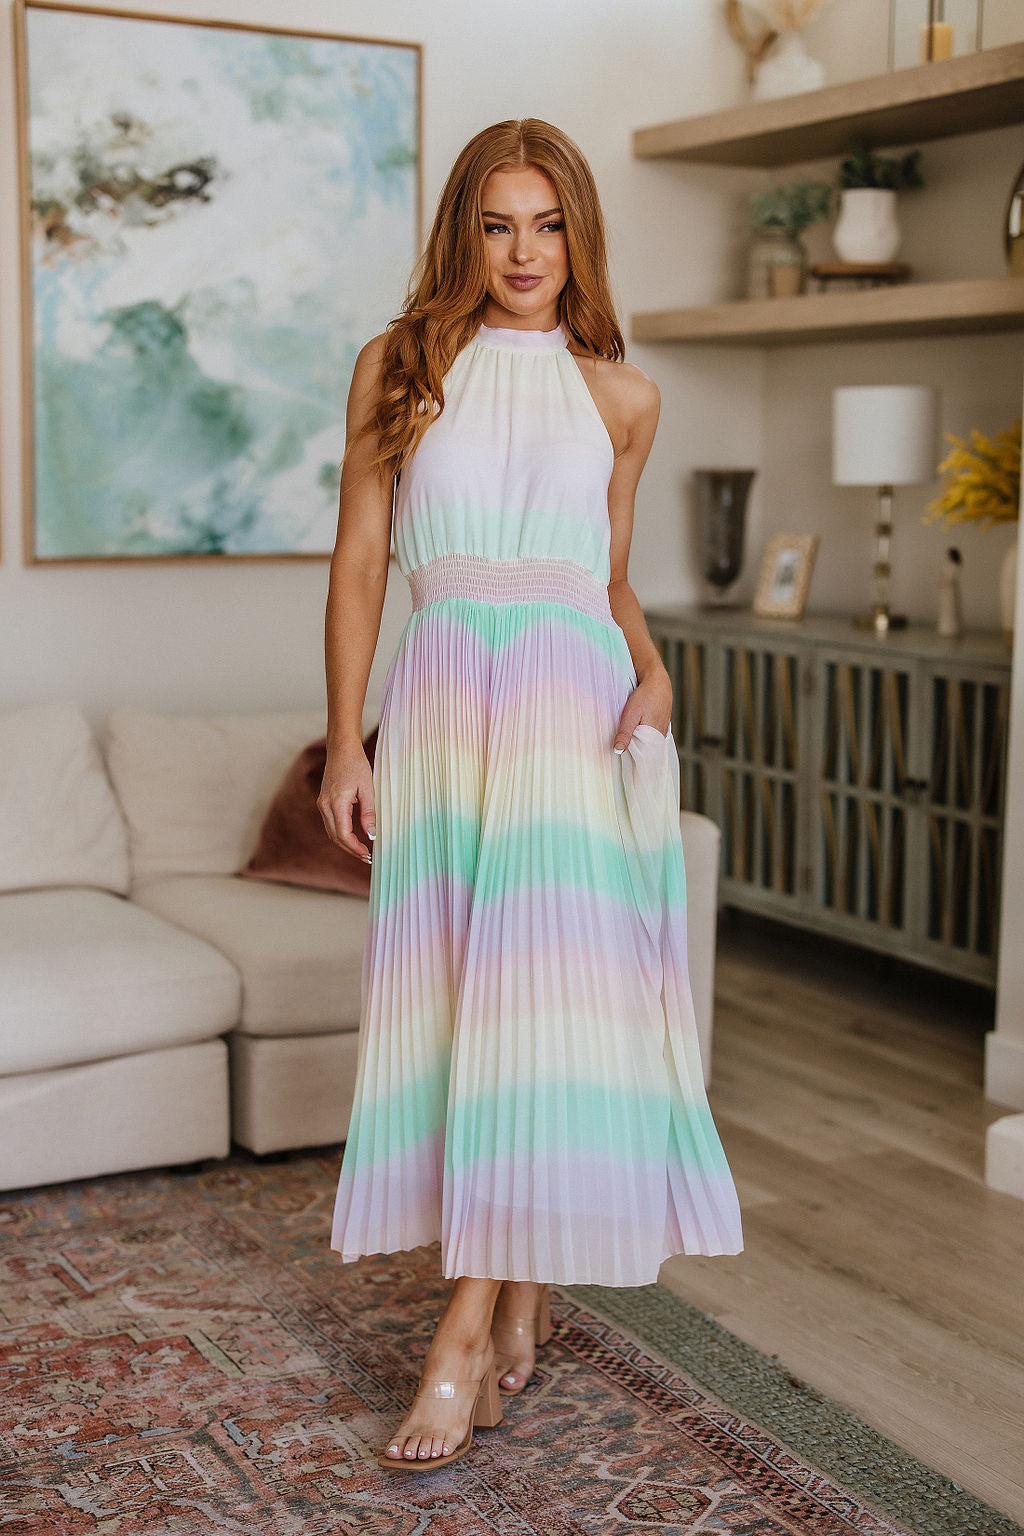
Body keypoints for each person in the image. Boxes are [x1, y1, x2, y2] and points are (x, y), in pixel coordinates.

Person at [318, 118, 744, 1475]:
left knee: (535, 1013)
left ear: (578, 237)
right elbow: (361, 562)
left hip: (569, 718)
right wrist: (345, 743)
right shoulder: (400, 366)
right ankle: (516, 1306)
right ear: (466, 233)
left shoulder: (622, 397)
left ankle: (464, 1333)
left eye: (548, 225)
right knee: (465, 1010)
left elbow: (603, 579)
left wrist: (656, 670)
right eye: (499, 224)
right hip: (446, 713)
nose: (524, 252)